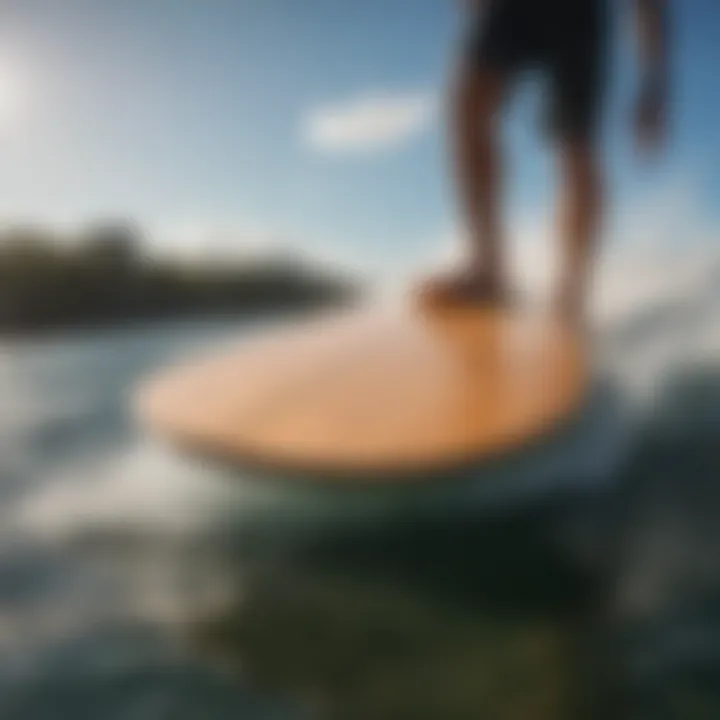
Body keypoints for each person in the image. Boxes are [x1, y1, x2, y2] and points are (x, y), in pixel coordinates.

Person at [422, 0, 669, 324]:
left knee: (575, 147)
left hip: (579, 16)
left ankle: (569, 296)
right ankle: (489, 269)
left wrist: (653, 83)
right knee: (469, 104)